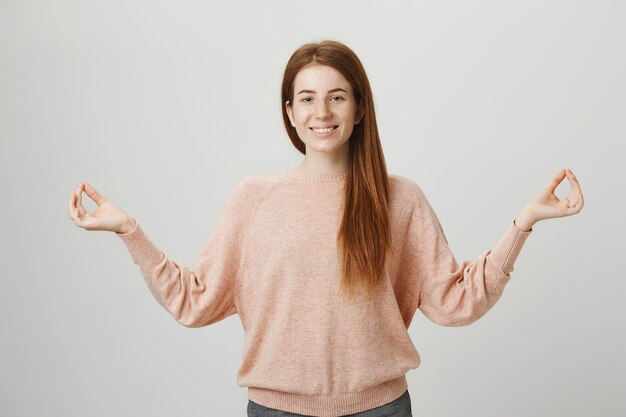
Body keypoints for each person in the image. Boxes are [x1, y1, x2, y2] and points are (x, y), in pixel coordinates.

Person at [68, 40, 584, 417]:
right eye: (307, 99)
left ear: (359, 109)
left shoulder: (398, 198)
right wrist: (128, 230)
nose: (322, 112)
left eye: (337, 97)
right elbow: (194, 301)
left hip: (380, 410)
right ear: (289, 113)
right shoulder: (253, 199)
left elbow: (455, 301)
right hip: (276, 412)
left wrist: (524, 223)